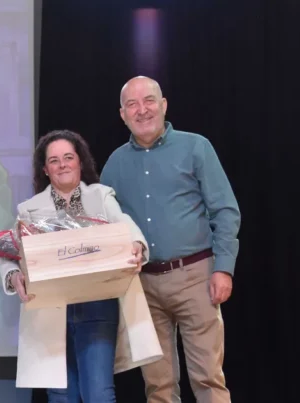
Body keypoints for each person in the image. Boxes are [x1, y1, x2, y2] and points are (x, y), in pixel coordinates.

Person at [100, 76, 241, 403]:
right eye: (132, 104)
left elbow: (225, 211)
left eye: (149, 100)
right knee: (158, 388)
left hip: (198, 278)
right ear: (122, 114)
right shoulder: (115, 164)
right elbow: (104, 225)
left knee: (208, 379)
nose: (142, 110)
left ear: (163, 105)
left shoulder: (196, 147)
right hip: (143, 286)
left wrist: (224, 268)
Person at [0, 130, 149, 403]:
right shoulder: (28, 209)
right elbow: (6, 250)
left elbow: (126, 224)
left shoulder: (101, 197)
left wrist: (137, 243)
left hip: (97, 305)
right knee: (61, 396)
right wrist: (13, 275)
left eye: (68, 157)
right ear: (45, 169)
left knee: (99, 395)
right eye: (54, 160)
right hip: (49, 310)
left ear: (80, 162)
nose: (62, 164)